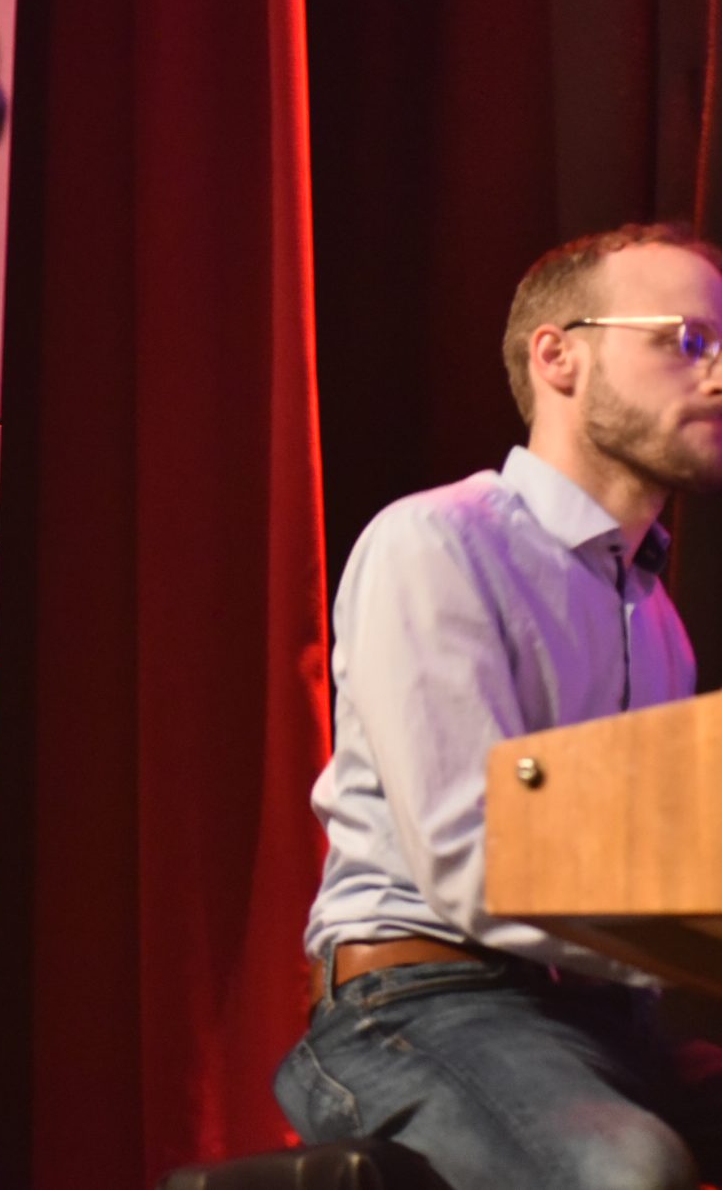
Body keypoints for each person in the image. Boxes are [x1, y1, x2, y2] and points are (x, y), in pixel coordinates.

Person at [278, 222, 722, 1187]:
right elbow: (472, 855)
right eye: (687, 340)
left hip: (598, 1020)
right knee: (626, 1168)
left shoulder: (661, 621)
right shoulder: (437, 542)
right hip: (420, 1003)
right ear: (559, 356)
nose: (717, 372)